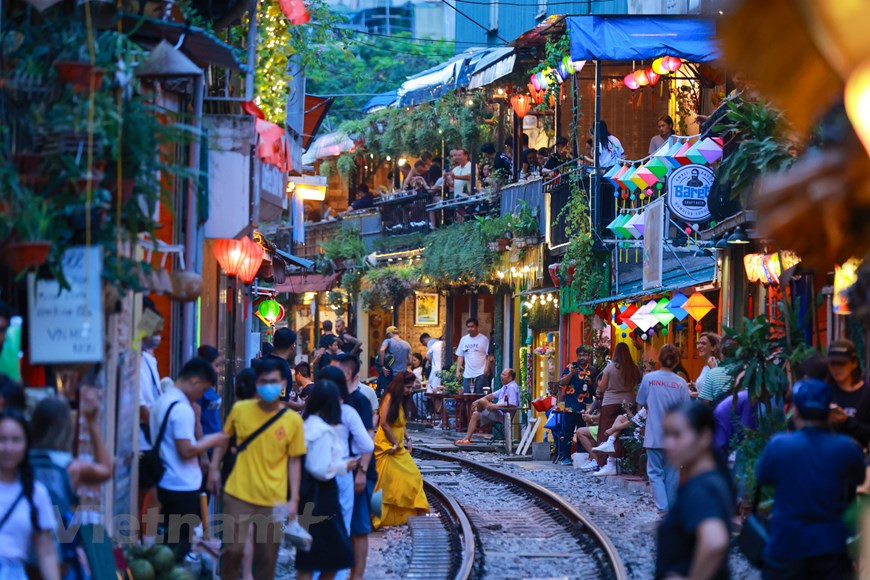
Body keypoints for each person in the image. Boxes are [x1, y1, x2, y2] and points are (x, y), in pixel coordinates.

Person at [208, 358, 306, 580]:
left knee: (266, 558)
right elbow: (224, 440)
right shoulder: (240, 410)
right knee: (232, 550)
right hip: (237, 493)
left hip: (273, 499)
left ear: (283, 384)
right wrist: (214, 468)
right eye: (263, 381)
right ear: (257, 383)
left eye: (273, 381)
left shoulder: (292, 421)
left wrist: (294, 500)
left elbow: (294, 461)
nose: (268, 386)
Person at [757, 378, 865, 578]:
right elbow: (858, 478)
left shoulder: (779, 446)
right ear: (829, 411)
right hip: (830, 549)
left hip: (785, 546)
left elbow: (763, 477)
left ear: (796, 410)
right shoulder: (846, 448)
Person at [30, 385, 113, 578]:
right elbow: (106, 470)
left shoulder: (19, 462)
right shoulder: (70, 467)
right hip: (60, 554)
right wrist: (92, 424)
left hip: (25, 553)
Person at [151, 357, 229, 557]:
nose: (200, 396)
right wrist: (213, 440)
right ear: (195, 381)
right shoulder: (182, 409)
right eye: (203, 390)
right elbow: (186, 450)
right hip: (181, 486)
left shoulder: (162, 399)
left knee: (168, 544)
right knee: (177, 547)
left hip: (166, 480)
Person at [656, 401, 732, 580]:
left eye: (677, 435)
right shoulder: (711, 479)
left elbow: (714, 541)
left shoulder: (702, 487)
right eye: (666, 434)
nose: (668, 443)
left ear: (704, 436)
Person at [296, 381, 358, 579]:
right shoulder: (322, 431)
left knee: (307, 557)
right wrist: (344, 466)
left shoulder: (306, 425)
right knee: (336, 556)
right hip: (322, 499)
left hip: (307, 497)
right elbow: (320, 469)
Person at [316, 366, 374, 579]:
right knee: (342, 525)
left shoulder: (312, 413)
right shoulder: (347, 412)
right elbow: (367, 445)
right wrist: (355, 461)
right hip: (342, 474)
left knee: (318, 526)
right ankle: (338, 574)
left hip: (317, 476)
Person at [330, 354, 377, 580]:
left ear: (346, 373)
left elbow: (368, 437)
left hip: (358, 470)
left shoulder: (358, 400)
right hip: (343, 471)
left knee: (358, 526)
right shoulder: (340, 399)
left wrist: (362, 472)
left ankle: (356, 575)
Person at [0, 409, 59, 580]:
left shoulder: (36, 493)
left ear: (26, 445)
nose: (8, 448)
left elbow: (46, 551)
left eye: (16, 440)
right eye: (2, 439)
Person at [637, 344, 691, 514]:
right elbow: (686, 410)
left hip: (654, 433)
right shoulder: (681, 383)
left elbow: (642, 401)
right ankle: (672, 510)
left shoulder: (649, 379)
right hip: (674, 436)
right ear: (676, 362)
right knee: (672, 474)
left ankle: (663, 507)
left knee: (654, 472)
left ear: (660, 359)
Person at [372, 371, 429, 527]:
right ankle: (376, 517)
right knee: (382, 485)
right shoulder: (389, 398)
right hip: (386, 447)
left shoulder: (400, 400)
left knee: (412, 477)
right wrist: (394, 443)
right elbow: (384, 423)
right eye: (408, 387)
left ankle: (412, 512)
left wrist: (407, 438)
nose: (410, 391)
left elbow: (400, 424)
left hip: (397, 447)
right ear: (400, 385)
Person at [592, 342, 641, 475]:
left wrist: (598, 393)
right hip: (629, 402)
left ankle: (607, 463)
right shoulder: (633, 368)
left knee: (606, 432)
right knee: (623, 432)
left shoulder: (610, 368)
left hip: (610, 403)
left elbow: (602, 386)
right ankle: (623, 460)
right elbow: (637, 384)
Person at [454, 368, 520, 445]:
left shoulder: (512, 387)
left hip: (503, 414)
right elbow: (492, 395)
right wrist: (477, 401)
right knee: (475, 413)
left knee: (482, 401)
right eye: (501, 374)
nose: (501, 376)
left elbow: (513, 403)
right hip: (496, 411)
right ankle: (466, 439)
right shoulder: (505, 387)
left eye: (504, 375)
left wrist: (495, 405)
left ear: (510, 378)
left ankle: (480, 407)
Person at [557, 346, 599, 465]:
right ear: (577, 356)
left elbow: (598, 389)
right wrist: (571, 374)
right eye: (580, 355)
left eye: (584, 355)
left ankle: (582, 456)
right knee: (567, 433)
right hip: (570, 406)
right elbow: (562, 383)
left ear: (588, 356)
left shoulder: (593, 370)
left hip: (585, 408)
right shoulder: (570, 367)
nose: (582, 358)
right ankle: (566, 457)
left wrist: (591, 383)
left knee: (583, 432)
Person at [827, 339, 870, 446]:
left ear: (854, 363)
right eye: (833, 364)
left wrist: (847, 421)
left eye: (841, 363)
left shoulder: (867, 393)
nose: (837, 369)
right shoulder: (825, 391)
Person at [139, 310, 164, 454]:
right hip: (143, 439)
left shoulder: (148, 359)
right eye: (156, 332)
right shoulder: (134, 360)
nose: (158, 337)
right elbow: (142, 407)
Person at [261, 327, 301, 408]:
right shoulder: (284, 369)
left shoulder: (261, 361)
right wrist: (299, 405)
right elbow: (280, 401)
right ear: (292, 347)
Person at [455, 318, 490, 395]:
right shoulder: (464, 339)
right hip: (467, 373)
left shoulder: (484, 339)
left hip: (481, 372)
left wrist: (486, 368)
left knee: (479, 396)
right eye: (468, 327)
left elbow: (489, 355)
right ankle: (468, 407)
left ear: (477, 327)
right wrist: (458, 370)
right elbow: (460, 356)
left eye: (472, 326)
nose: (470, 329)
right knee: (466, 396)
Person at [196, 345, 225, 436]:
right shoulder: (198, 390)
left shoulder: (209, 387)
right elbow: (196, 423)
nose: (218, 370)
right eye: (216, 365)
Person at [699, 338, 737, 406]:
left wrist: (713, 370)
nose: (699, 346)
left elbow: (704, 401)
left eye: (703, 343)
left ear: (721, 353)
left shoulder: (714, 372)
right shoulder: (747, 371)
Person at [377, 326, 411, 398]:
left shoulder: (388, 341)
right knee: (400, 396)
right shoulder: (407, 344)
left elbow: (382, 350)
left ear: (389, 333)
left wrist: (382, 365)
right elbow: (410, 361)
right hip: (402, 375)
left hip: (390, 375)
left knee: (388, 396)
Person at [690, 332, 721, 398]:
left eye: (703, 343)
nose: (699, 346)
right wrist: (695, 385)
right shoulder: (706, 367)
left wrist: (691, 394)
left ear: (713, 347)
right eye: (698, 343)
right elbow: (705, 387)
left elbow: (717, 389)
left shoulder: (716, 364)